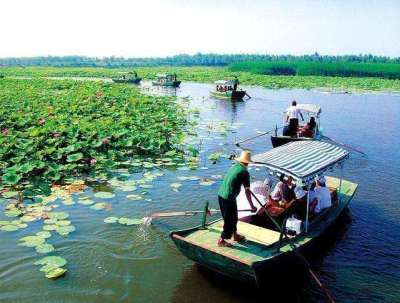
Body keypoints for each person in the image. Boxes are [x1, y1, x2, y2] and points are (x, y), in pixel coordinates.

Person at [217, 150, 257, 247]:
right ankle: (221, 240)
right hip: (228, 198)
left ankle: (235, 235)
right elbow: (247, 191)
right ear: (247, 162)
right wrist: (252, 206)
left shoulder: (234, 166)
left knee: (233, 217)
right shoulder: (244, 172)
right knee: (230, 220)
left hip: (221, 195)